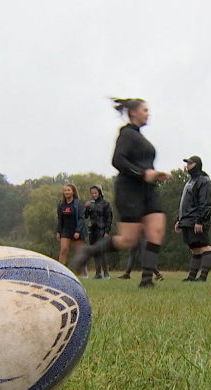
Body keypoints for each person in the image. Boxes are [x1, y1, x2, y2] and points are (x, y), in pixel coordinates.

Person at [70, 97, 171, 287]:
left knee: (156, 230)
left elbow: (144, 166)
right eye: (145, 110)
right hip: (130, 190)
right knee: (127, 239)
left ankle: (147, 281)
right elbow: (117, 161)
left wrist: (155, 174)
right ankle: (88, 251)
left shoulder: (140, 137)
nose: (148, 113)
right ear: (133, 112)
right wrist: (143, 174)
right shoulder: (126, 134)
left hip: (147, 190)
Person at [175, 156, 211, 281]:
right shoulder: (190, 181)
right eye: (187, 163)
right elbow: (185, 202)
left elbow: (205, 203)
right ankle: (191, 277)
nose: (187, 166)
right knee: (194, 248)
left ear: (197, 165)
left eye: (190, 163)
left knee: (204, 246)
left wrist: (200, 221)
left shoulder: (204, 181)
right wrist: (179, 220)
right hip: (187, 219)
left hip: (196, 220)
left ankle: (203, 278)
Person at [56, 184, 88, 275]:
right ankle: (60, 272)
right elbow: (60, 219)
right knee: (64, 249)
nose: (66, 192)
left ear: (73, 191)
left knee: (79, 252)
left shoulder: (78, 203)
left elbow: (82, 218)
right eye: (65, 190)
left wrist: (78, 231)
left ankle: (83, 272)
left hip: (76, 230)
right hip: (65, 230)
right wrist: (58, 231)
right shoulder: (61, 204)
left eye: (68, 190)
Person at [84, 185, 113, 279]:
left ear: (99, 192)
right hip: (92, 229)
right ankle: (98, 273)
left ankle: (106, 273)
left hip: (102, 229)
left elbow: (109, 218)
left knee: (101, 251)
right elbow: (85, 216)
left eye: (95, 193)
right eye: (92, 193)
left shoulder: (105, 204)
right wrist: (86, 207)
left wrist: (107, 231)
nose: (93, 195)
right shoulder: (90, 204)